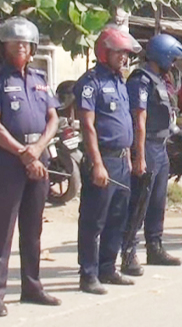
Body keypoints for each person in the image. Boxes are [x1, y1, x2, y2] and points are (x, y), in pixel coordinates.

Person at [0, 17, 62, 315]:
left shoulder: (39, 79)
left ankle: (32, 286)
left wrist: (37, 150)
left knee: (33, 228)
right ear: (4, 46)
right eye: (15, 42)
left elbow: (53, 117)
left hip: (39, 158)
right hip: (8, 162)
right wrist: (23, 154)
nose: (21, 47)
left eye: (25, 43)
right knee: (4, 229)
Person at [75, 26, 141, 295]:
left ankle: (108, 268)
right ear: (104, 52)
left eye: (126, 54)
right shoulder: (91, 83)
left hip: (121, 160)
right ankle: (88, 274)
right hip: (101, 159)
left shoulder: (119, 81)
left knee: (117, 216)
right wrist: (98, 163)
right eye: (119, 52)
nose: (123, 58)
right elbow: (88, 126)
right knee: (94, 220)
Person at [120, 34, 182, 277]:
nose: (175, 64)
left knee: (157, 201)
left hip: (161, 144)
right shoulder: (141, 79)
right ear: (163, 56)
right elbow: (139, 118)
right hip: (146, 145)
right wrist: (139, 155)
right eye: (173, 58)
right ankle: (128, 252)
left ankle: (155, 247)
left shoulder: (161, 79)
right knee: (139, 202)